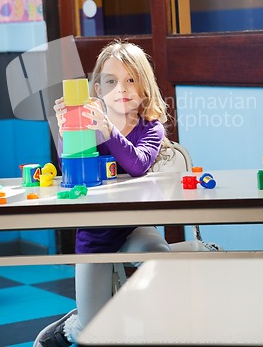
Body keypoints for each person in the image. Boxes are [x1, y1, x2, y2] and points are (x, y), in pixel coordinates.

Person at [34, 40, 172, 346]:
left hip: (134, 228)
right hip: (95, 236)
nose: (121, 89)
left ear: (144, 87)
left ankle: (134, 318)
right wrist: (66, 131)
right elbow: (70, 175)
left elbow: (136, 165)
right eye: (111, 81)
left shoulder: (150, 127)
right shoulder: (88, 127)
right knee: (91, 335)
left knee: (161, 259)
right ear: (98, 89)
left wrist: (110, 129)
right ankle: (71, 325)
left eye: (130, 80)